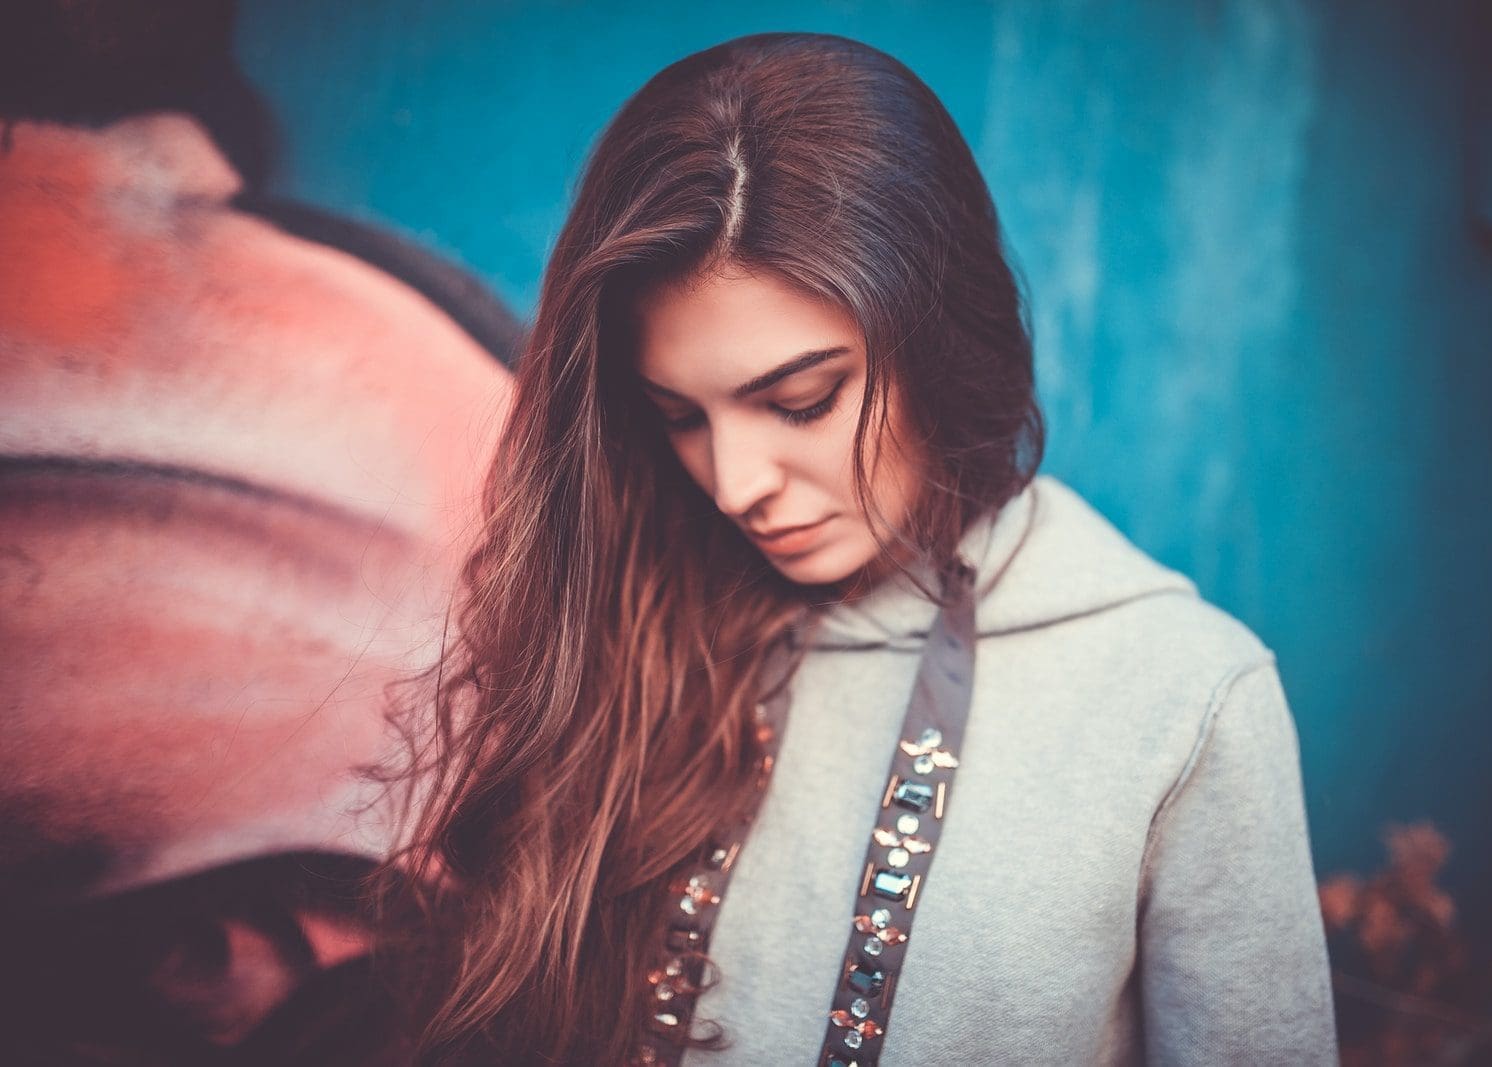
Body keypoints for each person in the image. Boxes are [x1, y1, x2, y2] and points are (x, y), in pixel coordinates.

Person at [381, 31, 1337, 1067]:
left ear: (938, 338)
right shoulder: (641, 615)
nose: (734, 483)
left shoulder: (1183, 695)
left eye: (799, 400)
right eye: (679, 416)